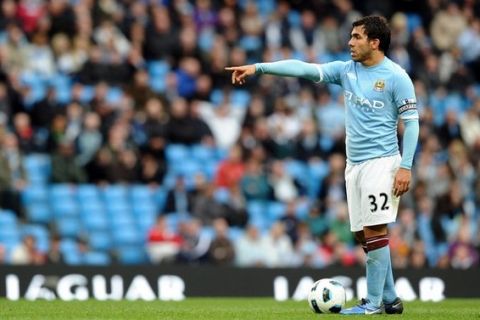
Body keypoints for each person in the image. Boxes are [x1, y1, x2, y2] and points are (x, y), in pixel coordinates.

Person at [225, 15, 419, 315]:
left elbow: (412, 124)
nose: (350, 42)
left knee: (374, 229)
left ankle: (373, 302)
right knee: (361, 234)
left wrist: (406, 166)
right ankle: (391, 298)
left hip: (383, 163)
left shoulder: (396, 76)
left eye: (357, 37)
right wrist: (259, 67)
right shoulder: (346, 71)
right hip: (354, 165)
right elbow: (303, 68)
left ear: (375, 42)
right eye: (351, 37)